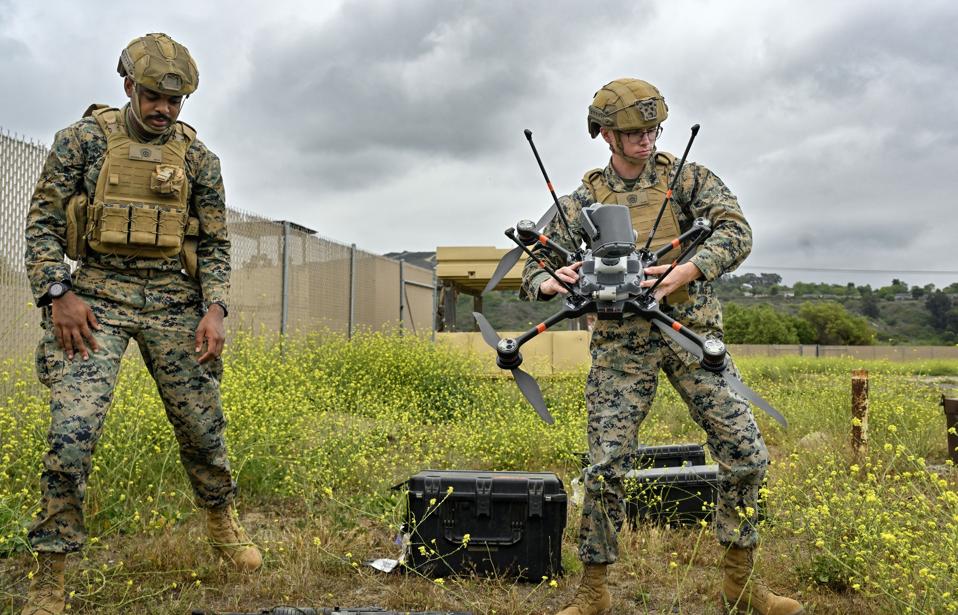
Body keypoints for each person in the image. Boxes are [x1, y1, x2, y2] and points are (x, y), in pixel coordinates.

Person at [520, 79, 804, 615]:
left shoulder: (690, 179)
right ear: (603, 133)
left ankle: (739, 586)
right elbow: (533, 261)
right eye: (631, 131)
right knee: (605, 468)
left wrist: (687, 269)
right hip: (620, 348)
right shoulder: (583, 199)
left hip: (692, 336)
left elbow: (736, 231)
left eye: (652, 127)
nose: (646, 138)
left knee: (746, 454)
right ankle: (593, 593)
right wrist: (552, 281)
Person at [21, 33, 261, 615]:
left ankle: (221, 519)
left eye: (175, 103)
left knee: (202, 426)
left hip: (175, 299)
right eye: (153, 96)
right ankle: (52, 570)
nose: (164, 110)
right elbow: (44, 224)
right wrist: (59, 294)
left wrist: (216, 307)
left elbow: (216, 244)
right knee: (71, 435)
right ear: (128, 86)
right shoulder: (81, 142)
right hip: (94, 297)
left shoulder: (199, 159)